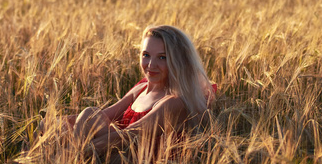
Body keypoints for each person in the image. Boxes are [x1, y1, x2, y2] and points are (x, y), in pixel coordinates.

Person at [38, 25, 216, 157]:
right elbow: (102, 116)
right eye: (146, 55)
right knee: (82, 116)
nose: (151, 65)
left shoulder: (174, 101)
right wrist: (55, 124)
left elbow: (128, 135)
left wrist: (71, 154)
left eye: (162, 57)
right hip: (112, 153)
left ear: (178, 60)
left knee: (76, 130)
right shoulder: (141, 88)